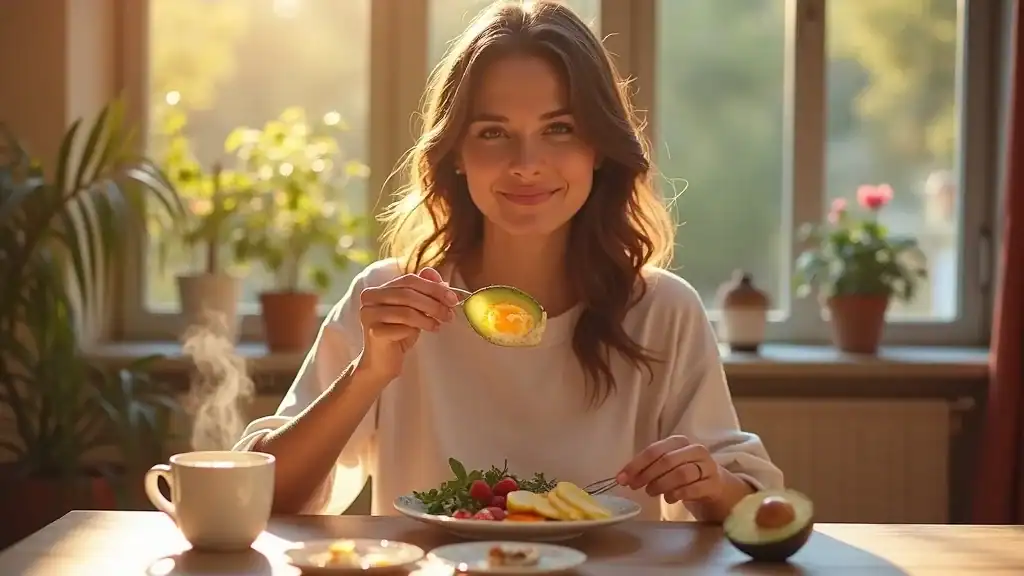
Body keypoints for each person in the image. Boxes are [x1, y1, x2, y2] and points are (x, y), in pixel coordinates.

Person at [234, 0, 783, 522]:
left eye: (559, 129)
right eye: (493, 133)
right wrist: (367, 374)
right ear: (455, 157)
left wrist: (708, 484)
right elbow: (263, 500)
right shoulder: (388, 300)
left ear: (599, 149)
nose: (526, 164)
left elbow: (756, 513)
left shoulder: (663, 310)